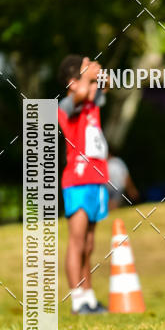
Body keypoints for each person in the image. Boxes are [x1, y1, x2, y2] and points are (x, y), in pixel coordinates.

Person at [58, 55, 109, 314]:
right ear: (72, 82)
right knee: (77, 242)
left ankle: (89, 296)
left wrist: (98, 75)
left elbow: (106, 86)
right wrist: (89, 73)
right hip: (77, 181)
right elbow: (78, 96)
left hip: (96, 180)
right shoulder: (67, 105)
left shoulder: (92, 102)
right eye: (85, 77)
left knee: (89, 245)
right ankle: (77, 299)